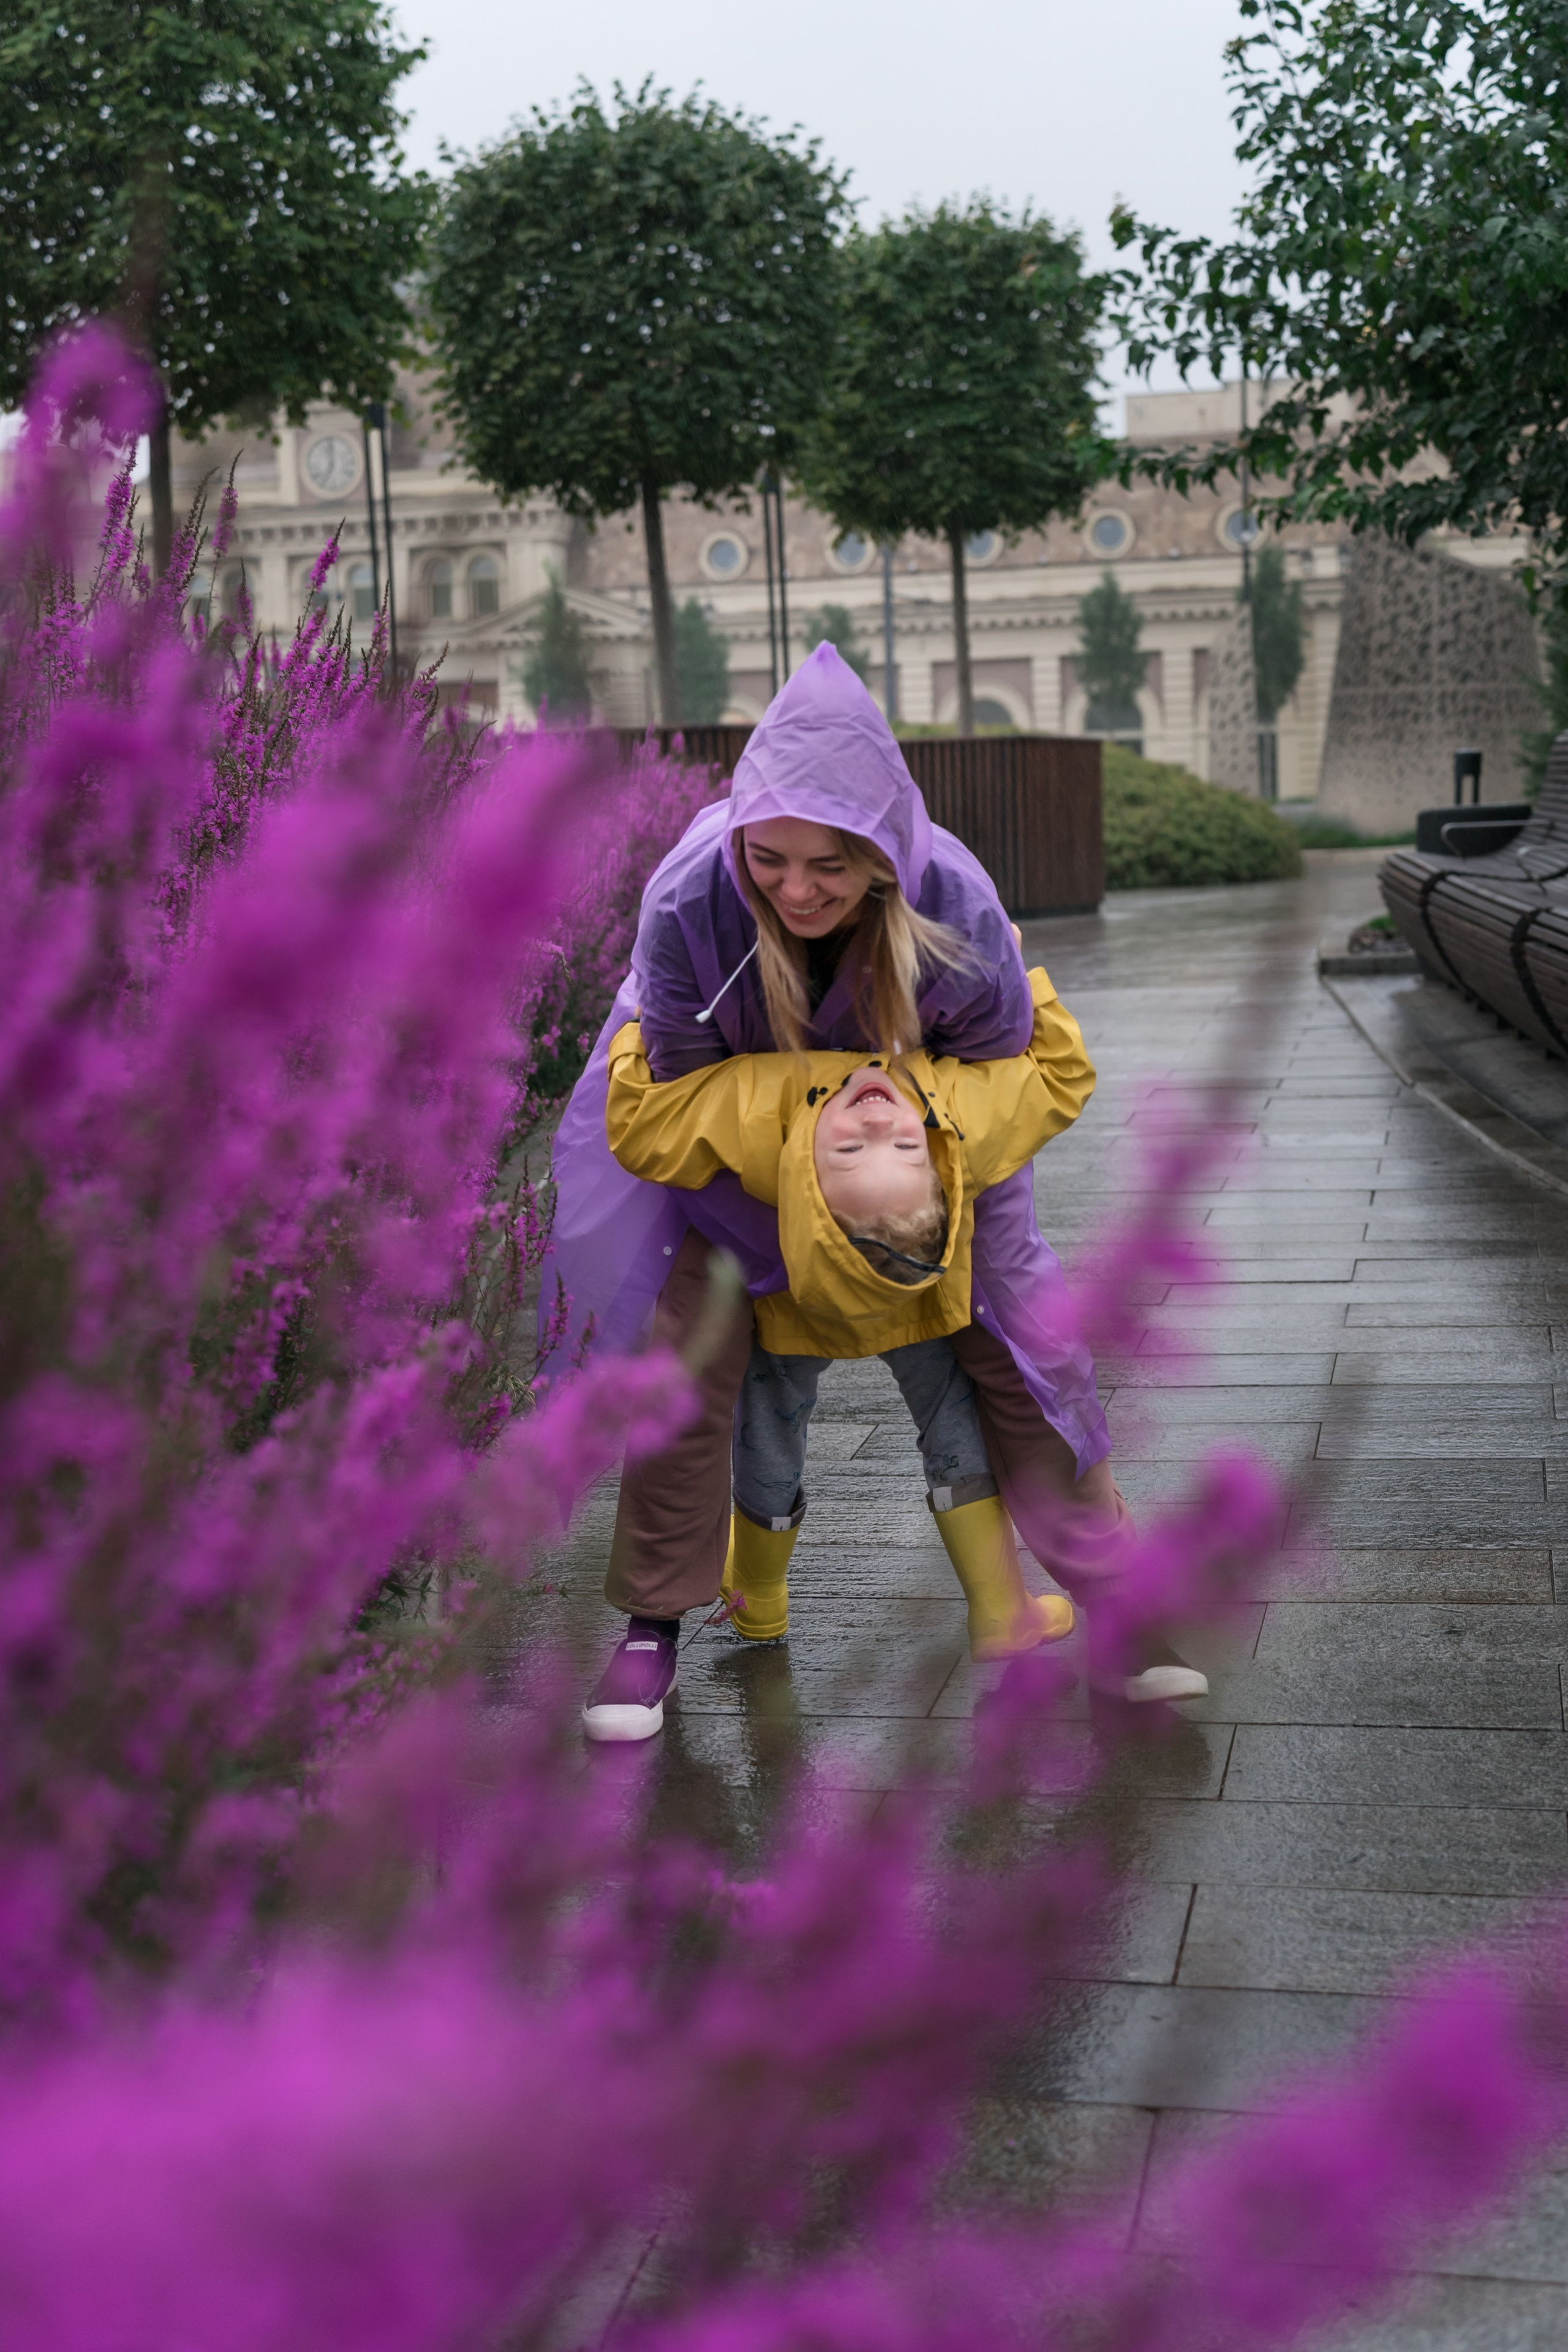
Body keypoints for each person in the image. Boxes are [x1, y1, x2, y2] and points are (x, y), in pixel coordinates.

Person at [545, 644, 1207, 1740]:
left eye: (831, 869)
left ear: (886, 863)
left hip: (932, 1174)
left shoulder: (959, 909)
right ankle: (653, 1628)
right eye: (770, 860)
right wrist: (821, 1139)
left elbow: (1014, 1092)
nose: (795, 891)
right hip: (737, 1183)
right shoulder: (687, 908)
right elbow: (667, 1116)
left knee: (1029, 1353)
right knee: (692, 1350)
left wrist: (891, 1166)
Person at [581, 965, 1090, 1740]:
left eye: (866, 1144)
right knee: (943, 1427)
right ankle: (997, 1606)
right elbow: (1058, 1076)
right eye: (856, 1147)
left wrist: (639, 1022)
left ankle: (760, 1595)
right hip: (911, 1287)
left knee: (773, 1428)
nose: (877, 1119)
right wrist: (1018, 972)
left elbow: (641, 1120)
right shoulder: (938, 1099)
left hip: (791, 1288)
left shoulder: (763, 1109)